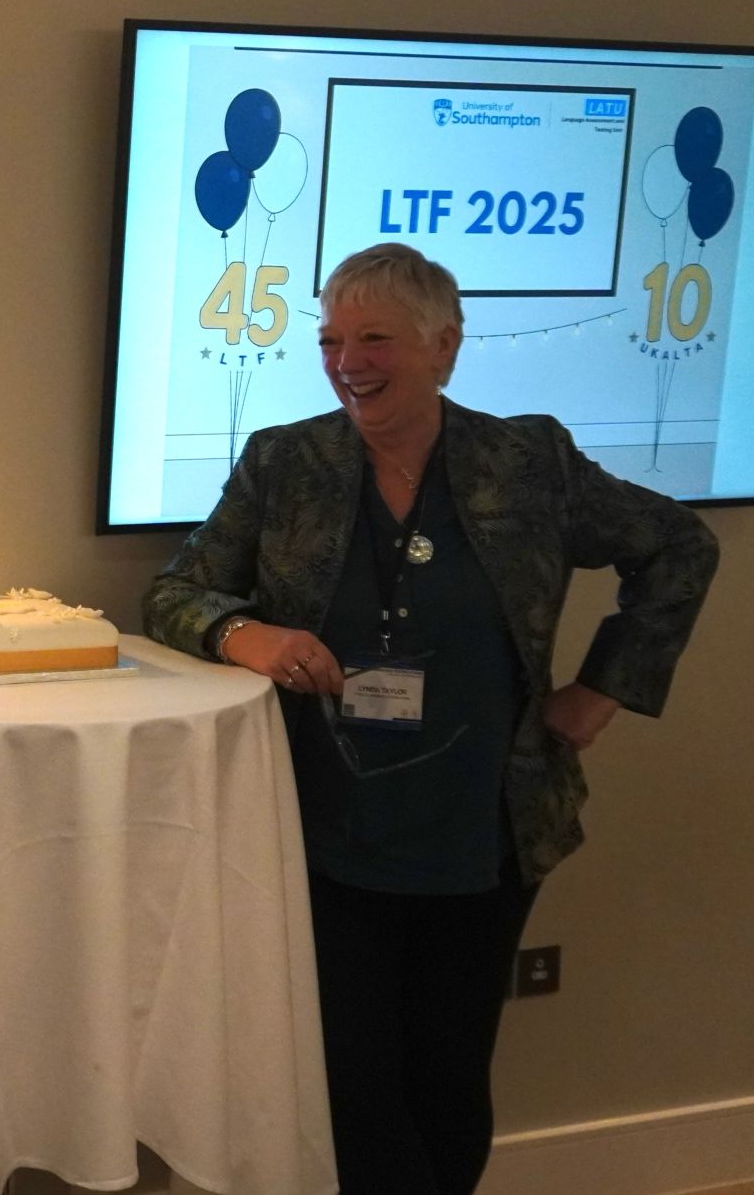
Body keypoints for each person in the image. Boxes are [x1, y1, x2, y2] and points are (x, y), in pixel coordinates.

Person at [143, 242, 717, 1195]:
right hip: (323, 826)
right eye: (331, 339)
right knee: (352, 1082)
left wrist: (601, 692)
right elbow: (178, 593)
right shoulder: (287, 460)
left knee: (449, 1076)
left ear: (444, 346)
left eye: (376, 337)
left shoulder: (527, 459)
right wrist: (246, 634)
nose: (348, 361)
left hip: (482, 831)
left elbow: (679, 549)